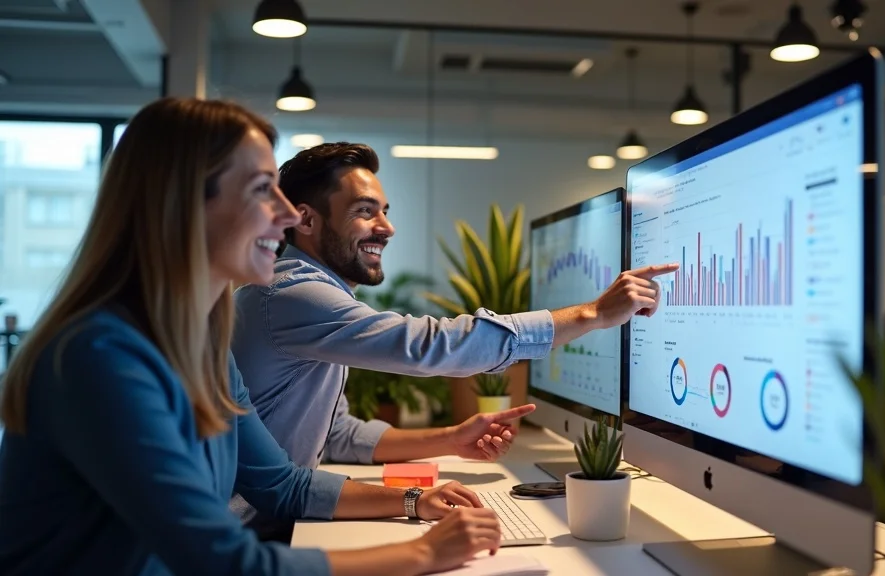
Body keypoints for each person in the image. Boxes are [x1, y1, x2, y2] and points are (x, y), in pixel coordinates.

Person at [0, 98, 500, 576]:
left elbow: (279, 485)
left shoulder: (200, 345)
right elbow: (223, 564)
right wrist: (422, 555)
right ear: (183, 203)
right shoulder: (100, 357)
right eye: (264, 189)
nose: (287, 215)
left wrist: (414, 501)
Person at [231, 141, 678, 479]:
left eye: (384, 211)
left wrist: (452, 439)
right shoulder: (291, 293)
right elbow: (430, 346)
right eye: (364, 212)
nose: (387, 228)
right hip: (246, 536)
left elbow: (338, 434)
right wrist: (593, 315)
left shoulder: (302, 295)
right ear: (306, 221)